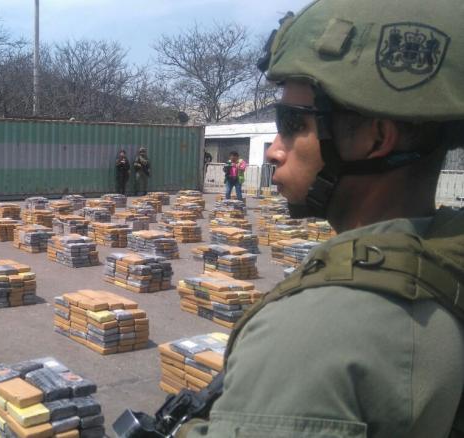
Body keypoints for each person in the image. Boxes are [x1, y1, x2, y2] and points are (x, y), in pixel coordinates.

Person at [125, 1, 464, 437]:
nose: (273, 150)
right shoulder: (444, 264)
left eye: (292, 124)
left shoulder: (313, 335)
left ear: (377, 138)